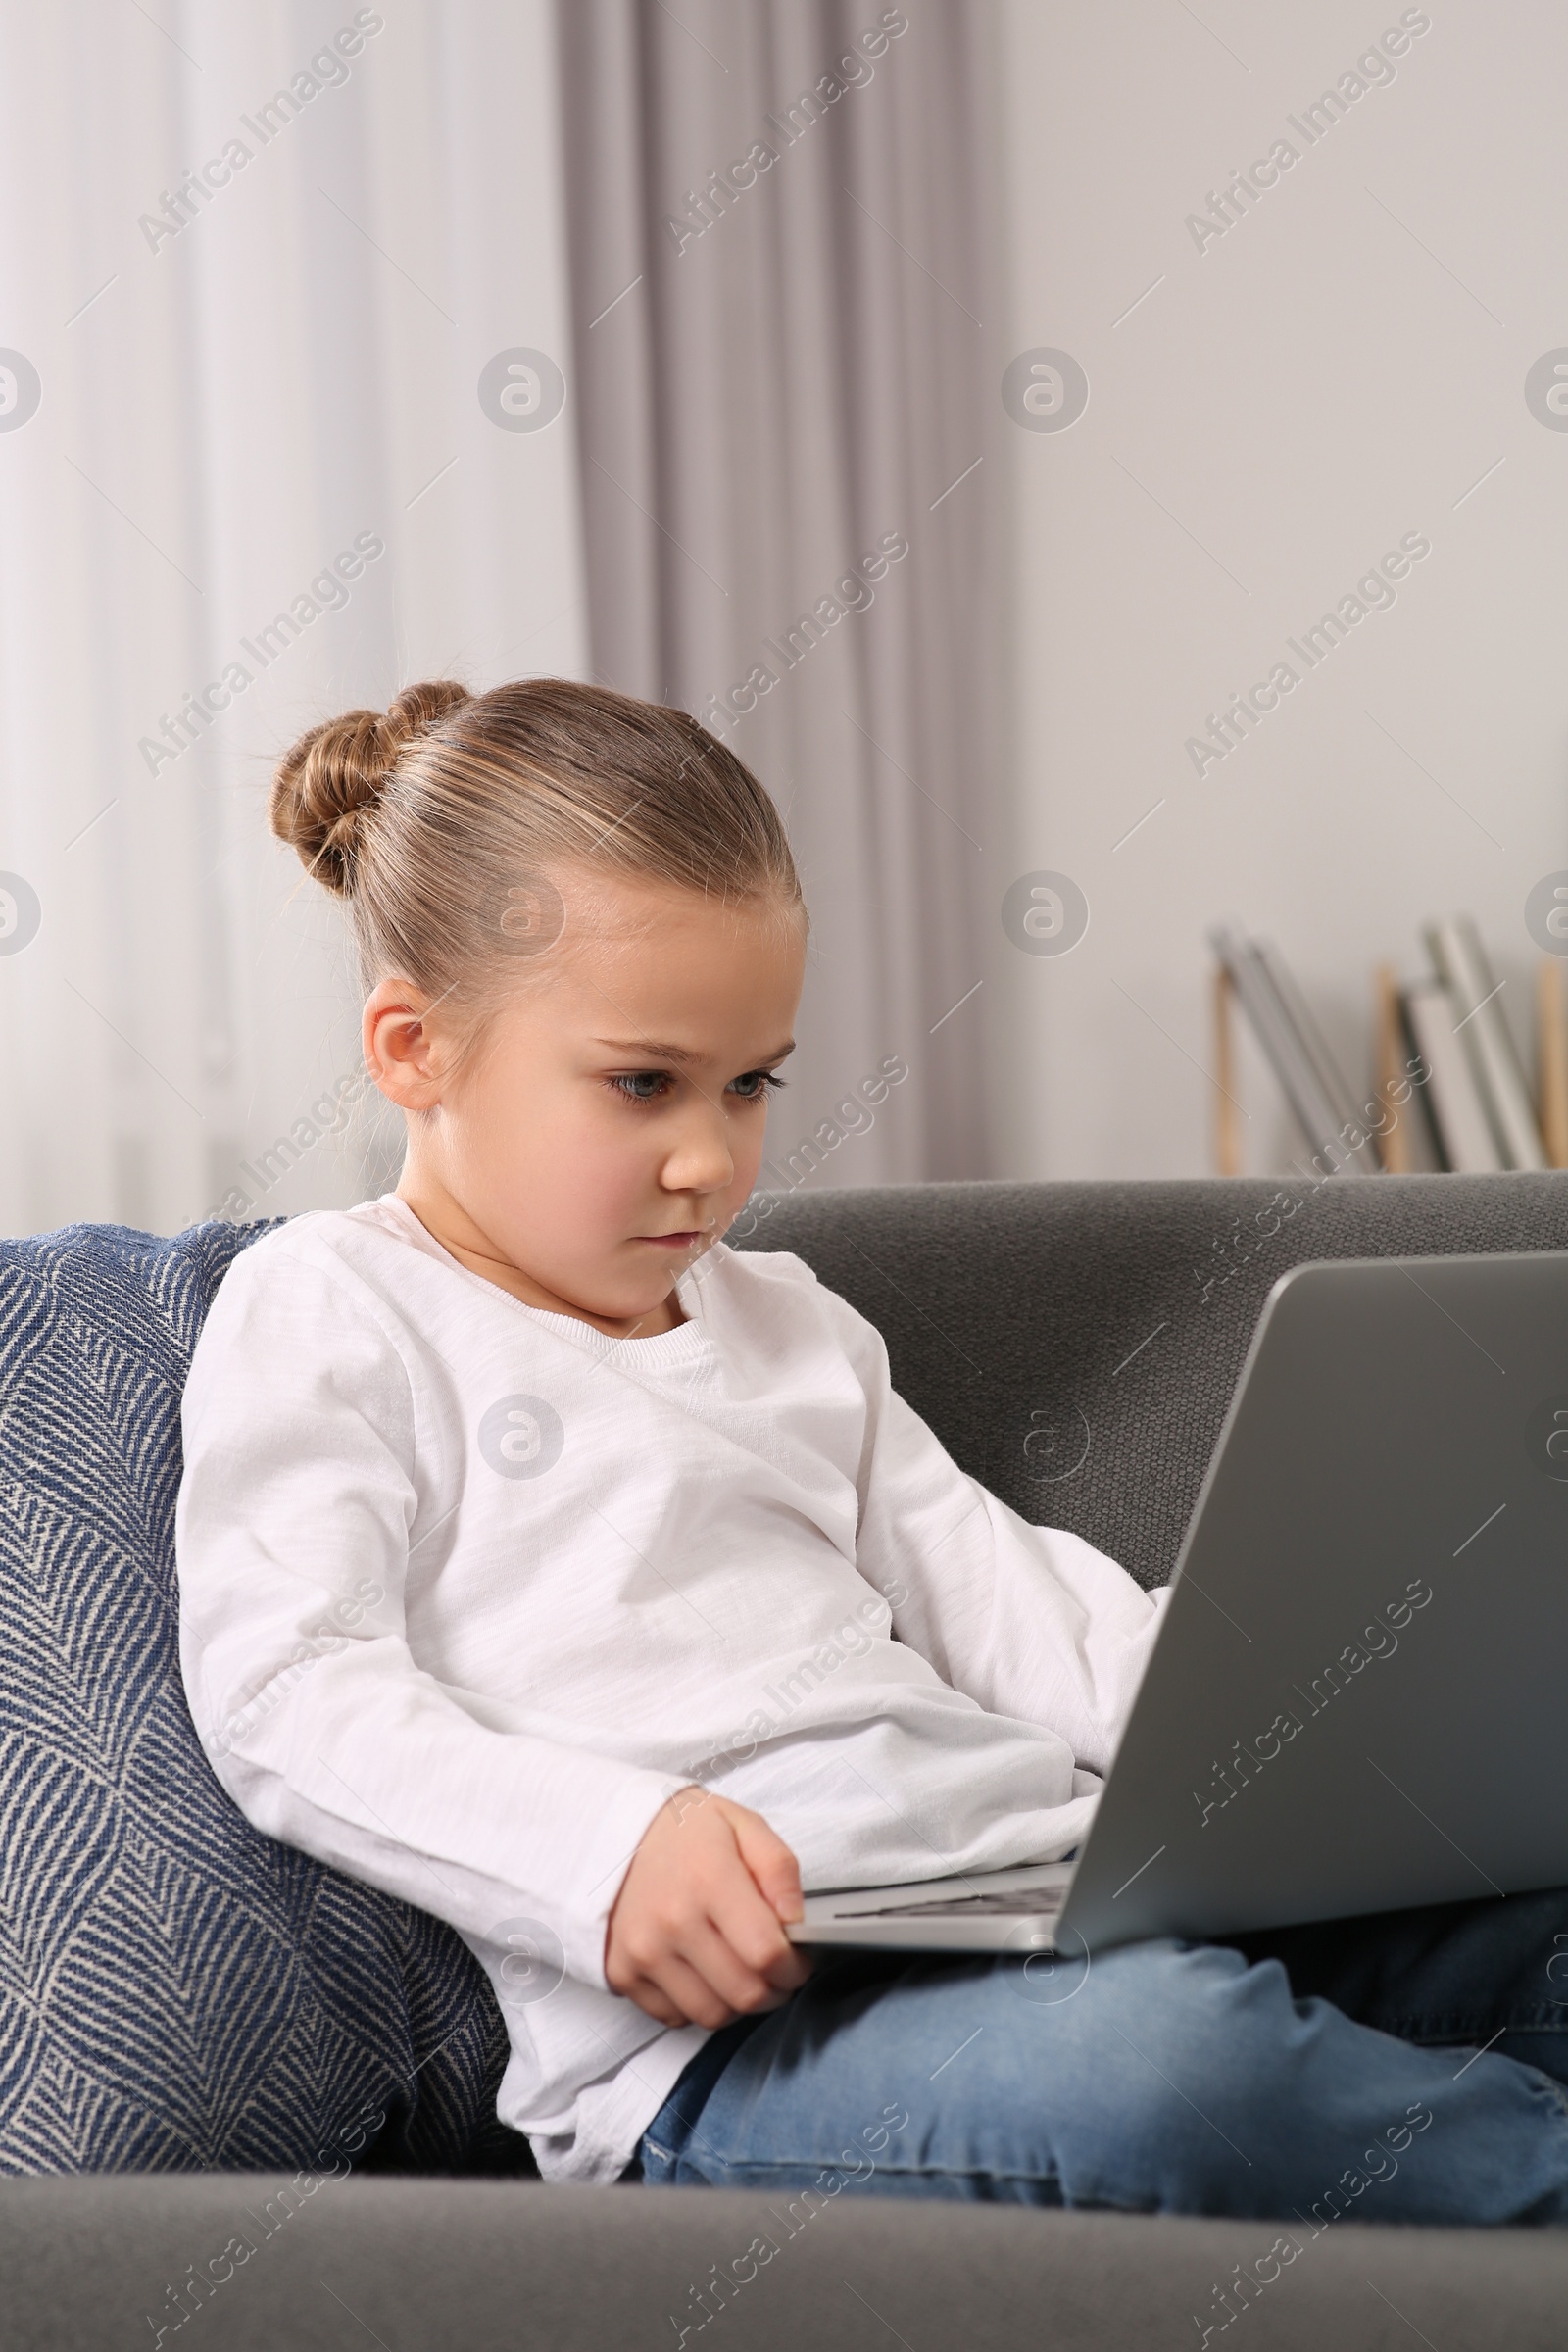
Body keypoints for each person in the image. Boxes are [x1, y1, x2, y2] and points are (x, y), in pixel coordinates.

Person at [176, 678, 1568, 2222]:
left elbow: (1018, 1610)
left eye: (752, 1082)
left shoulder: (791, 1323)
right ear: (413, 1049)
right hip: (733, 2043)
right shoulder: (330, 1306)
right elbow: (289, 1689)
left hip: (1039, 1907)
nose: (713, 1158)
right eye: (643, 1082)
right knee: (1174, 2074)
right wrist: (605, 1850)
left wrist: (1326, 1711)